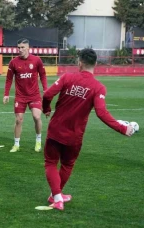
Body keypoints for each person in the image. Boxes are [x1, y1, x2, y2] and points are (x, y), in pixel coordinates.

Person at [42, 48, 135, 210]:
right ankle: (56, 195)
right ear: (96, 64)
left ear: (80, 62)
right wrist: (123, 128)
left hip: (55, 131)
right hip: (74, 136)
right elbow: (101, 113)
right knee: (67, 165)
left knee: (50, 163)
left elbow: (47, 95)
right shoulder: (98, 87)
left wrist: (46, 109)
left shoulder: (67, 78)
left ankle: (56, 197)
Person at [3, 38, 47, 153]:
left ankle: (38, 141)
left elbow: (43, 75)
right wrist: (6, 94)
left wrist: (45, 89)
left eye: (22, 47)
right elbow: (8, 79)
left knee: (37, 117)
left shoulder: (37, 60)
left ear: (28, 48)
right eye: (18, 47)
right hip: (20, 96)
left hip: (34, 95)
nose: (20, 49)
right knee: (19, 120)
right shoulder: (13, 62)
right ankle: (16, 144)